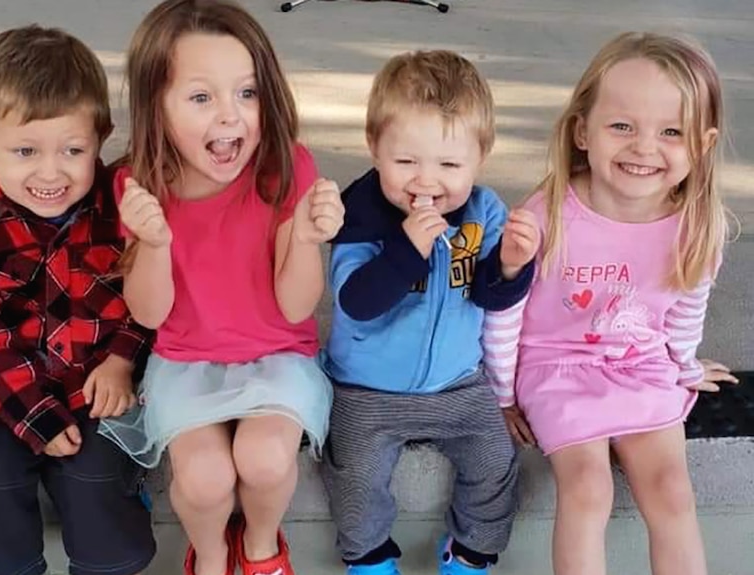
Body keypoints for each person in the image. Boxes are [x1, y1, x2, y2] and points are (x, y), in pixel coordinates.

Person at [96, 2, 345, 575]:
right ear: (156, 104)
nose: (231, 117)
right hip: (188, 359)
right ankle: (209, 553)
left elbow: (296, 305)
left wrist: (306, 238)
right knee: (205, 478)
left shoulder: (286, 167)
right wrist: (154, 243)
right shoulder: (138, 183)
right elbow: (151, 313)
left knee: (263, 458)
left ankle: (260, 546)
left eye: (248, 93)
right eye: (201, 97)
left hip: (278, 356)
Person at [483, 31, 739, 575]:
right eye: (622, 126)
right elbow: (504, 310)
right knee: (589, 488)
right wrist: (502, 394)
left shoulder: (696, 225)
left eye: (672, 131)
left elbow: (684, 307)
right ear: (582, 131)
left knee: (672, 490)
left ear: (704, 143)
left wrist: (684, 365)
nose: (645, 147)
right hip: (554, 365)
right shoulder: (548, 212)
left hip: (640, 362)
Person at [0, 25, 156, 575]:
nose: (51, 172)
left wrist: (123, 359)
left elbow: (150, 295)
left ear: (101, 135)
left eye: (73, 150)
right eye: (25, 150)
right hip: (8, 387)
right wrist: (35, 417)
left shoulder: (123, 207)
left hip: (98, 380)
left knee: (96, 484)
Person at [320, 50, 540, 575]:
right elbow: (356, 302)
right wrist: (404, 250)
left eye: (448, 165)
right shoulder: (361, 213)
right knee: (354, 475)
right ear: (374, 148)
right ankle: (369, 558)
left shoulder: (484, 211)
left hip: (456, 386)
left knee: (495, 463)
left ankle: (469, 554)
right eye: (406, 162)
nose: (426, 182)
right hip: (367, 389)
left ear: (480, 158)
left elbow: (488, 297)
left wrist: (511, 268)